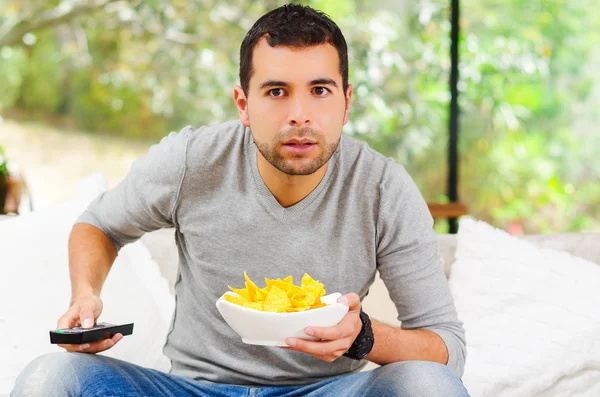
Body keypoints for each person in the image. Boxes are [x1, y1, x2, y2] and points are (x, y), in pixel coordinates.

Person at [12, 4, 469, 396]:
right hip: (192, 387)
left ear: (346, 102)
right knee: (51, 376)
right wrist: (86, 295)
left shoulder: (384, 188)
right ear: (243, 104)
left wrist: (363, 336)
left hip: (326, 389)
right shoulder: (191, 160)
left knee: (428, 384)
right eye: (275, 92)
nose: (299, 115)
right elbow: (99, 225)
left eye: (320, 90)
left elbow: (446, 349)